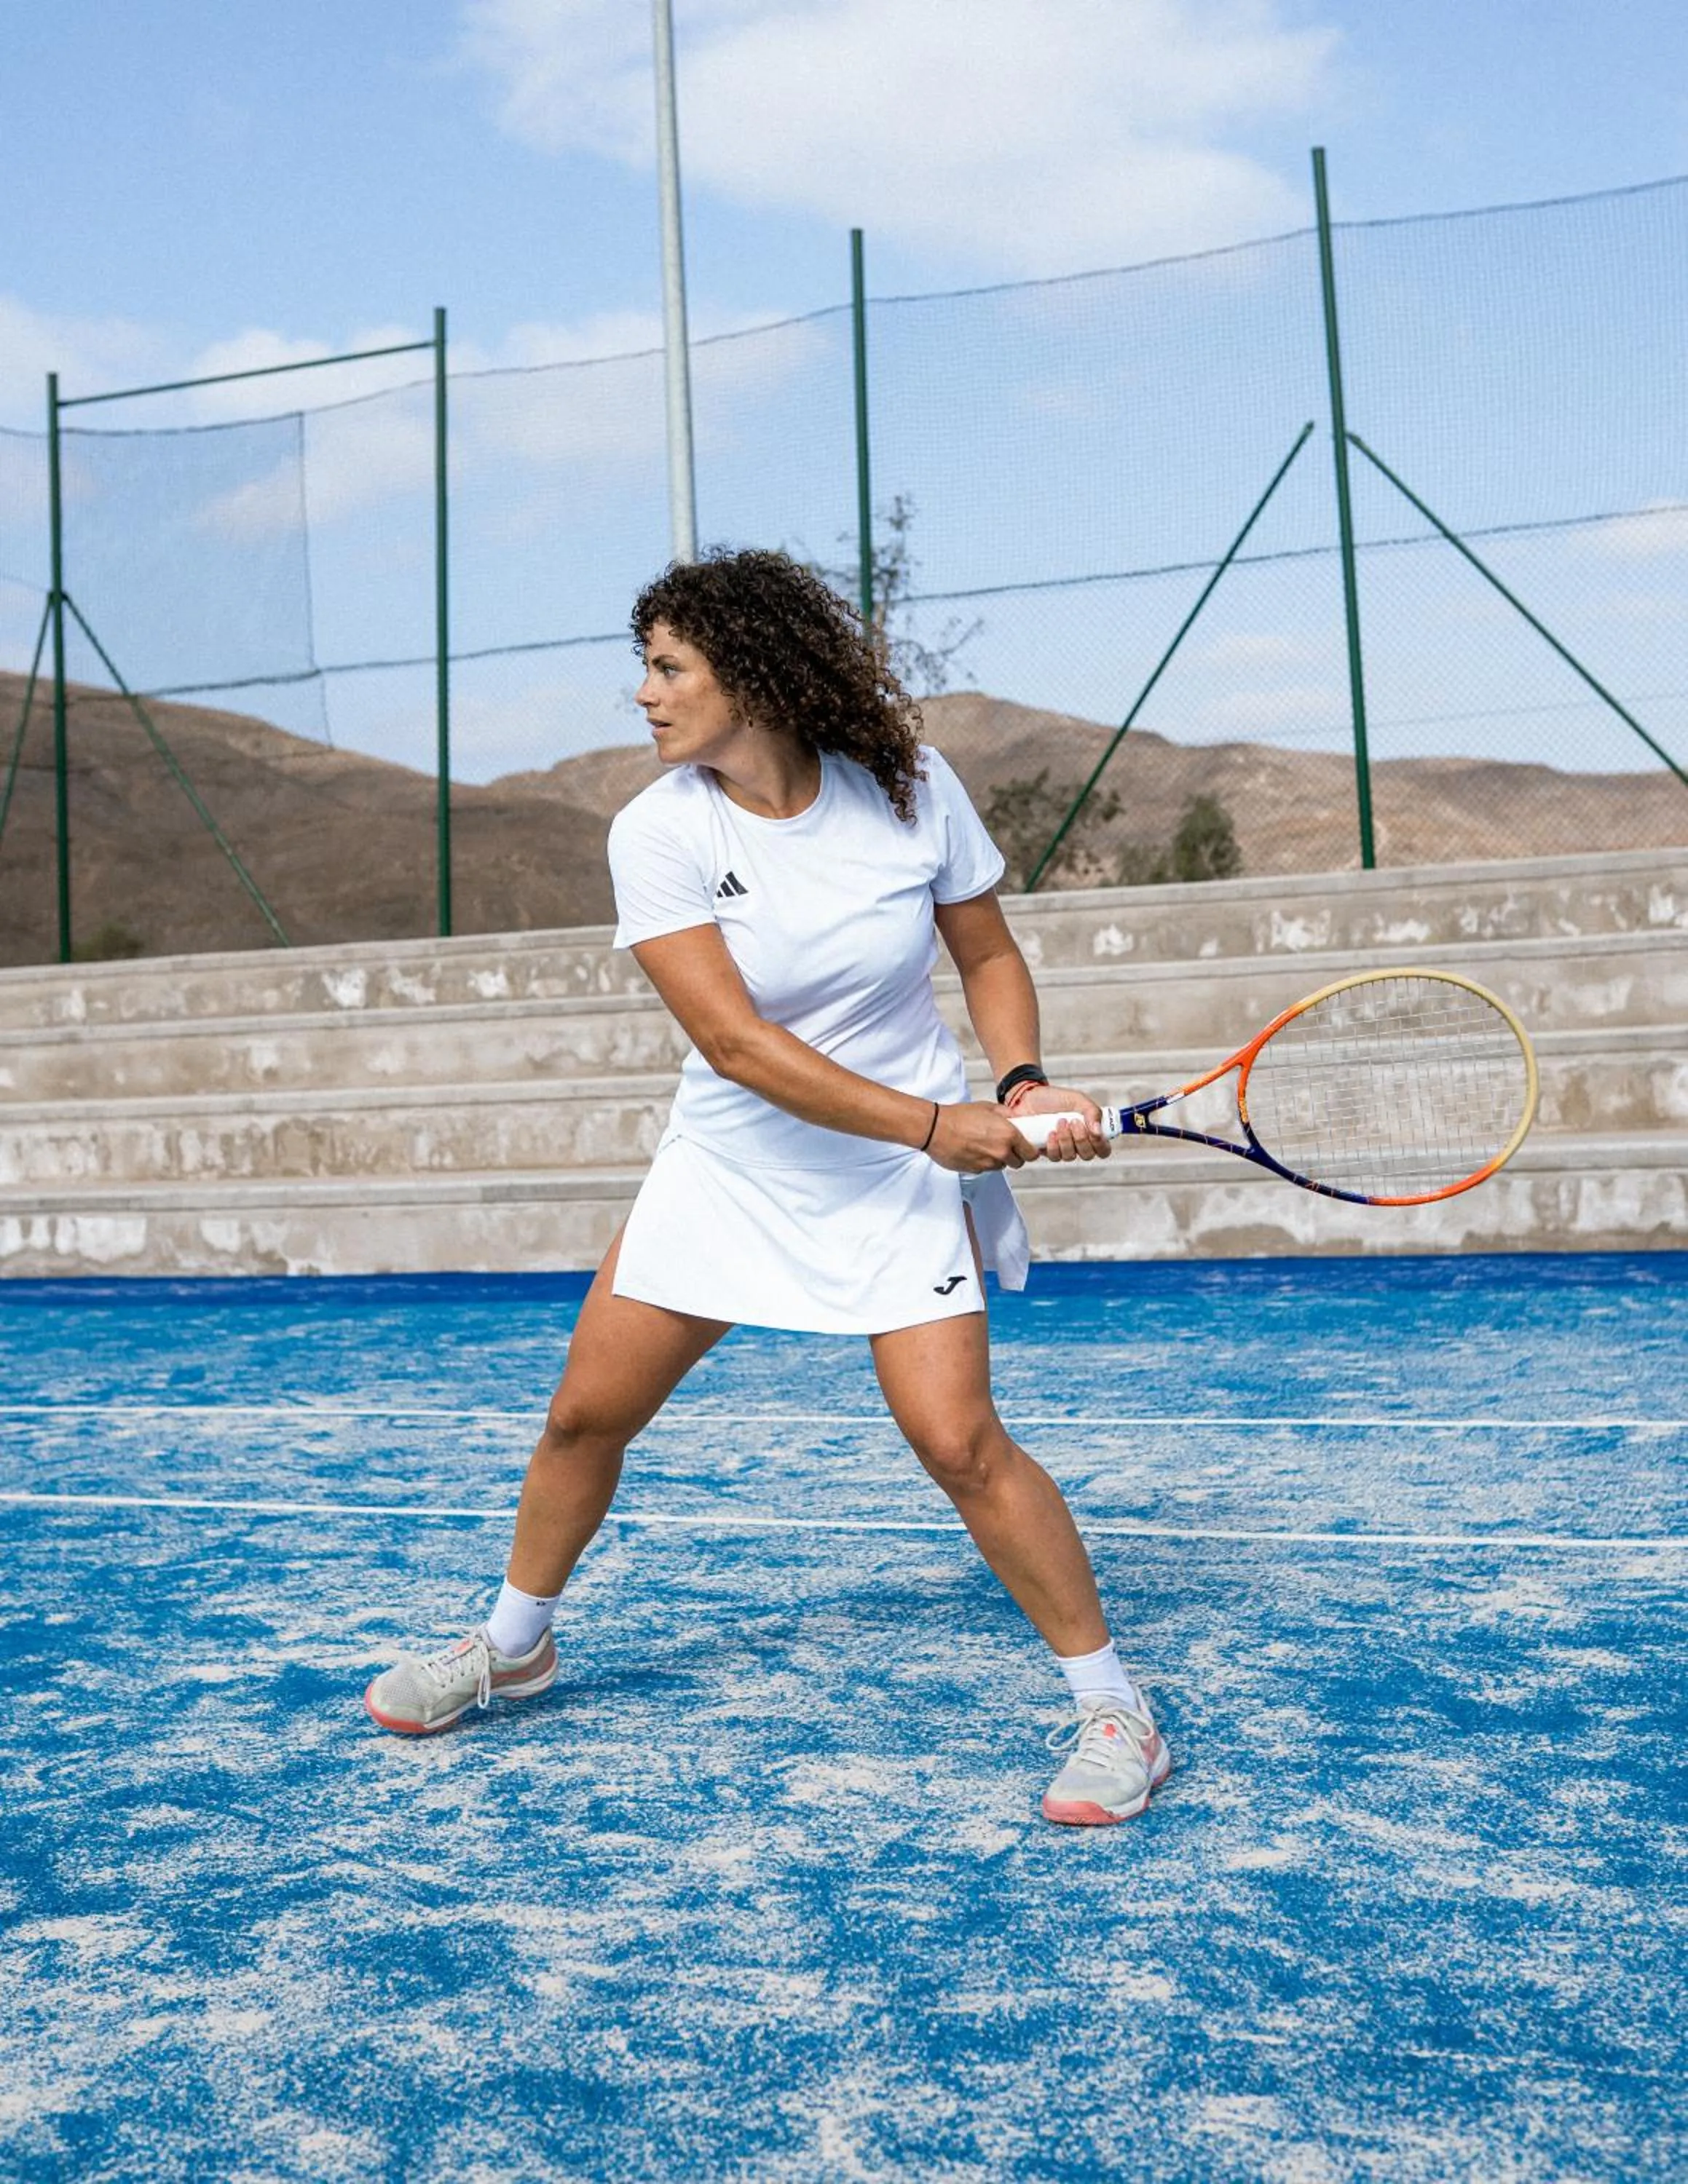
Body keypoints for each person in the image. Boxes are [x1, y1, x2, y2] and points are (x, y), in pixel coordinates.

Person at [364, 548, 1170, 1826]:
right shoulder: (660, 829)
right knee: (584, 1415)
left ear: (755, 673)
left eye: (668, 666)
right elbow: (735, 1046)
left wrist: (1018, 1087)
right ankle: (514, 1643)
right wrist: (931, 1123)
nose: (644, 693)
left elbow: (989, 950)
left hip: (897, 1176)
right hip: (739, 1161)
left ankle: (1114, 1707)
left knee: (957, 1442)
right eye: (646, 665)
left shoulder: (906, 787)